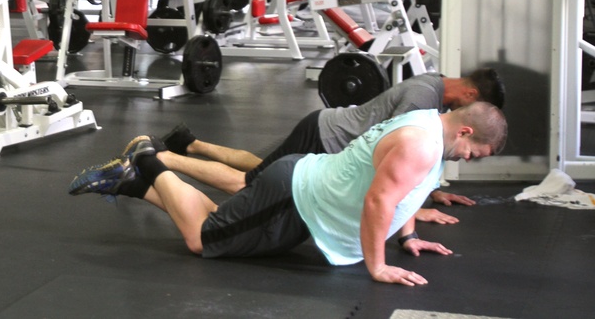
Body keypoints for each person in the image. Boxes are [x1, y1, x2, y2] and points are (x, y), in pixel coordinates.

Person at [70, 102, 507, 286]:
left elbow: (407, 192)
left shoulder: (430, 122)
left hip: (301, 194)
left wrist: (408, 237)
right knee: (203, 238)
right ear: (465, 130)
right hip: (296, 197)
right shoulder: (422, 143)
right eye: (473, 153)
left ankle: (132, 183)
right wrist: (377, 267)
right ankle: (149, 160)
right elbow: (380, 201)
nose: (467, 159)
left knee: (221, 223)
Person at [148, 69, 504, 220]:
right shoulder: (423, 99)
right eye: (470, 107)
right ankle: (160, 157)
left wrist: (431, 191)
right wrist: (413, 206)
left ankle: (190, 144)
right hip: (327, 137)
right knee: (249, 183)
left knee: (262, 165)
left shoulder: (434, 83)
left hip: (327, 128)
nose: (466, 114)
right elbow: (394, 157)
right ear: (470, 94)